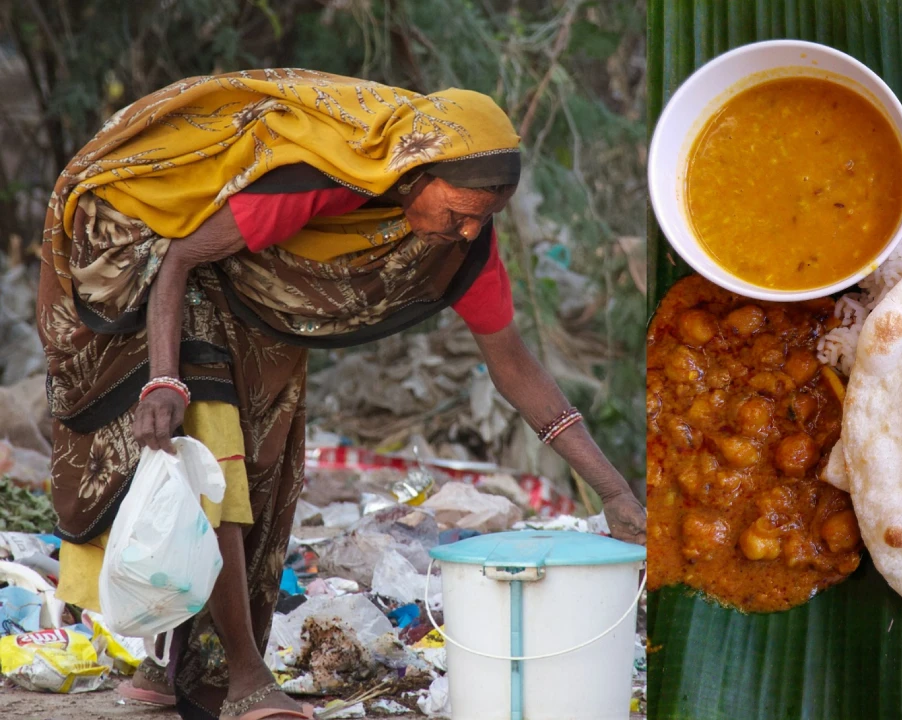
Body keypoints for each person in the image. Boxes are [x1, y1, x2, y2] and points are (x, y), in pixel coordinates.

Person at [37, 69, 646, 720]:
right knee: (216, 460)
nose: (469, 232)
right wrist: (164, 378)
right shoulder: (312, 180)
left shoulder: (463, 252)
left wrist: (613, 491)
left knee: (262, 472)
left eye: (483, 220)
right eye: (460, 213)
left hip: (252, 297)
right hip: (158, 266)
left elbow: (515, 367)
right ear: (416, 171)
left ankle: (171, 665)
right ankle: (243, 676)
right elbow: (181, 258)